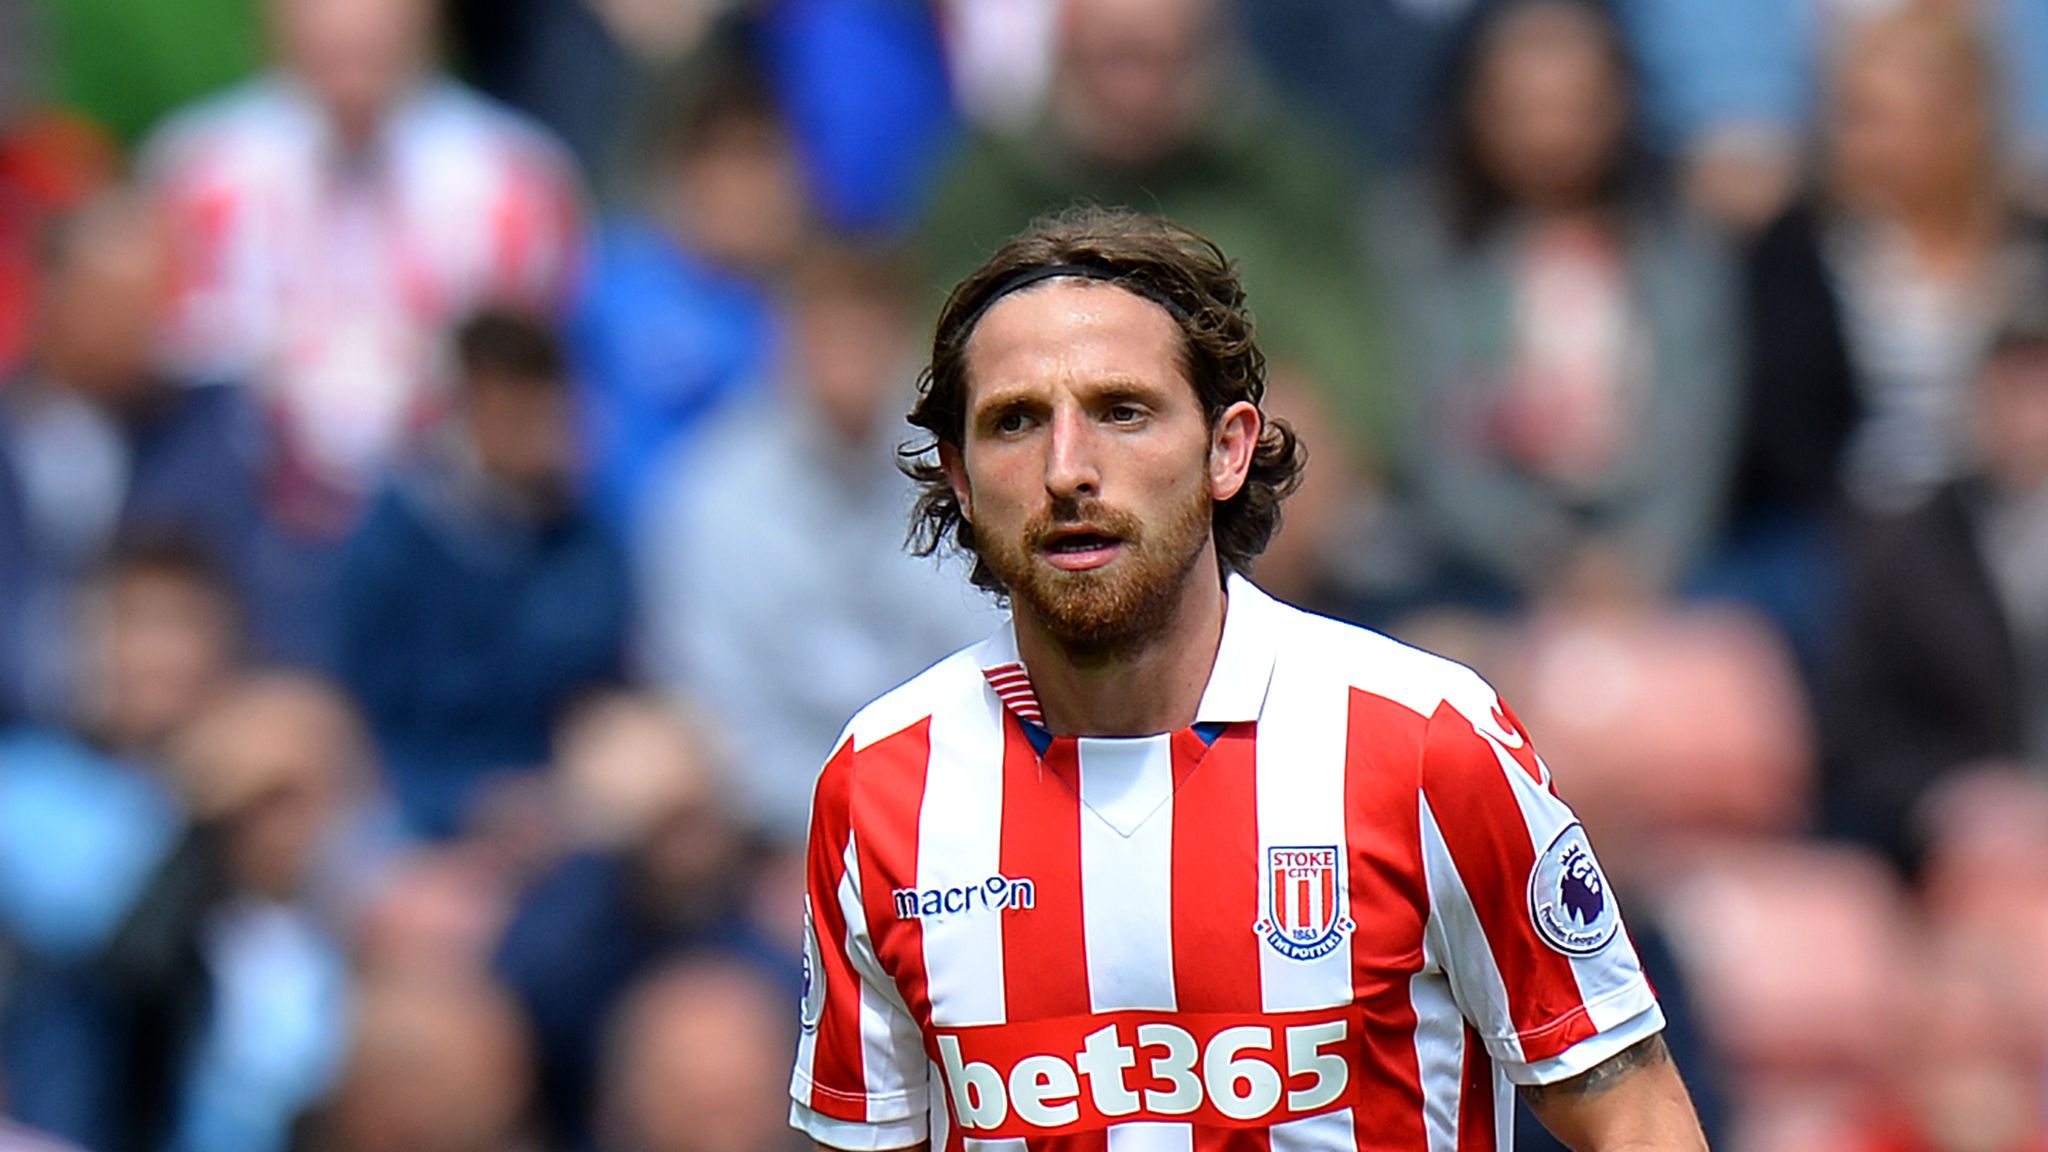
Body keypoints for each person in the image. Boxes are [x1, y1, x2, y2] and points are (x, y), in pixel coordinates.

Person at [789, 206, 1705, 1150]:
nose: (1067, 469)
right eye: (1015, 422)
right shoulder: (880, 789)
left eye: (1121, 411)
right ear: (961, 477)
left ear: (1227, 449)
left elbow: (1636, 1117)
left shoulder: (1427, 743)